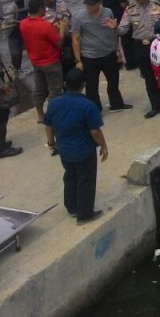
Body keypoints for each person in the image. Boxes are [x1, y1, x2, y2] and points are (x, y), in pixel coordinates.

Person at [44, 68, 108, 225]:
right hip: (84, 150)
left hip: (64, 150)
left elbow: (48, 125)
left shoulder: (54, 104)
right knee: (85, 180)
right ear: (83, 85)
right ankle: (85, 215)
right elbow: (95, 131)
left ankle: (72, 208)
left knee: (70, 177)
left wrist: (51, 143)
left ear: (65, 84)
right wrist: (104, 146)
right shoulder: (87, 106)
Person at [72, 0, 130, 112]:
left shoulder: (108, 12)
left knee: (113, 81)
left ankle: (116, 104)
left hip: (108, 53)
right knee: (91, 86)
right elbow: (76, 39)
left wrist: (117, 50)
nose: (89, 7)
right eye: (87, 5)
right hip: (90, 56)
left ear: (99, 3)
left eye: (92, 4)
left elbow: (113, 32)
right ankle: (95, 109)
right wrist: (78, 60)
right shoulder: (79, 17)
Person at [117, 0, 160, 118]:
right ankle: (156, 105)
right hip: (140, 47)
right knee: (148, 78)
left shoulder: (159, 6)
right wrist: (114, 27)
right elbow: (123, 29)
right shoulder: (129, 10)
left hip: (156, 44)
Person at [20, 0, 66, 123]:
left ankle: (40, 115)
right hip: (51, 61)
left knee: (39, 89)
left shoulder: (23, 23)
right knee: (55, 90)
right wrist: (62, 29)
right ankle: (53, 115)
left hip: (35, 61)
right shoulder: (45, 26)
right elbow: (59, 43)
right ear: (40, 9)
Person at [94, 0, 129, 66]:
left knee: (105, 38)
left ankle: (109, 59)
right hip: (116, 16)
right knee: (117, 39)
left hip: (102, 14)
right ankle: (119, 59)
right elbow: (123, 4)